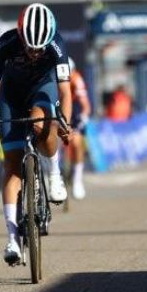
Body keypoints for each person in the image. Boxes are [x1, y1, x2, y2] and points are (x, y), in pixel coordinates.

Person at [0, 2, 72, 265]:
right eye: (30, 47)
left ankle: (54, 174)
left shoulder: (56, 45)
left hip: (43, 90)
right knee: (11, 166)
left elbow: (65, 91)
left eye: (39, 48)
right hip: (12, 94)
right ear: (21, 35)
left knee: (44, 122)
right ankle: (12, 239)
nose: (34, 52)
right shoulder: (5, 42)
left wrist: (65, 120)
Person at [67, 57, 91, 200]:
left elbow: (85, 104)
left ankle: (77, 179)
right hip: (57, 106)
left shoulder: (76, 79)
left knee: (77, 142)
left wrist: (84, 117)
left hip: (74, 109)